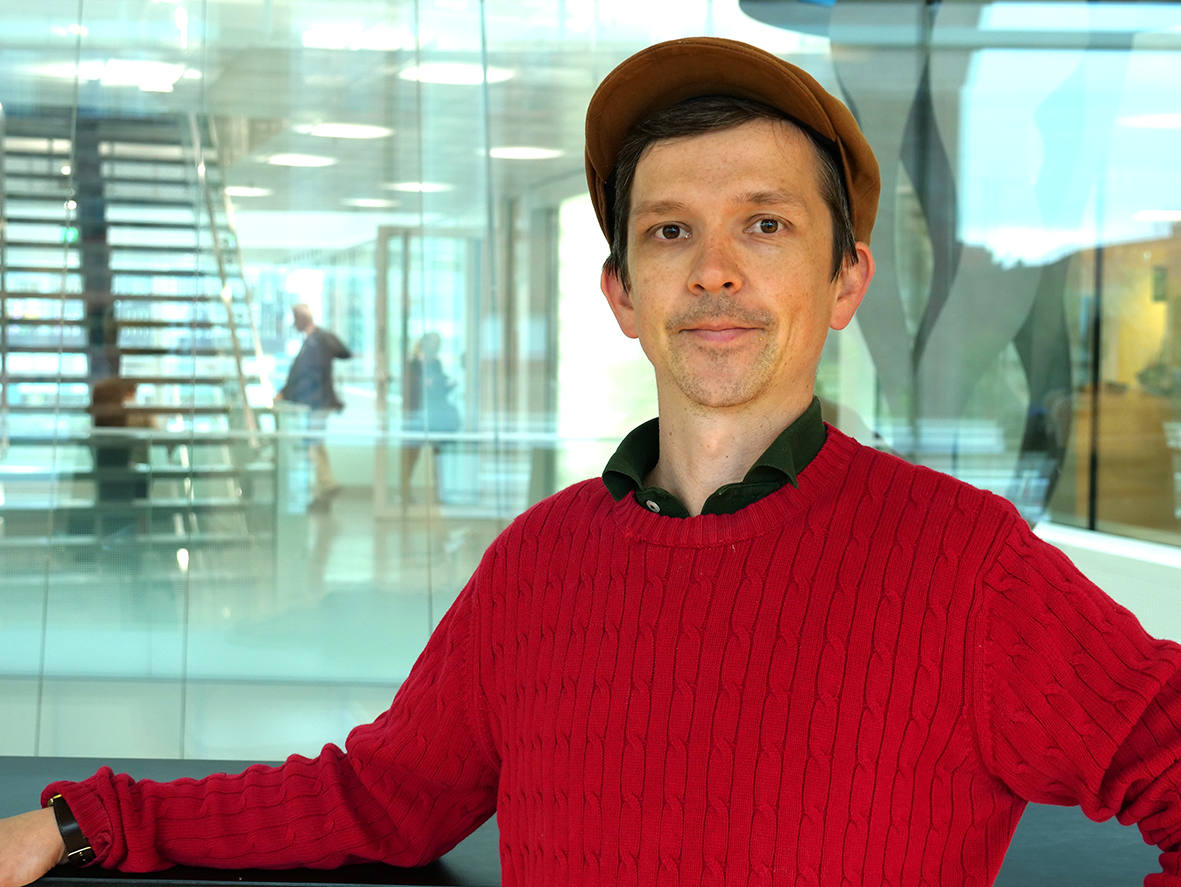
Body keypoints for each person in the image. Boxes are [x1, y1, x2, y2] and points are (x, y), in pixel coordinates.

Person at [2, 36, 1181, 887]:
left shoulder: (963, 566)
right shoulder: (538, 566)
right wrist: (84, 819)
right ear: (622, 292)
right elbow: (379, 796)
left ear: (844, 282)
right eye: (670, 230)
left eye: (764, 223)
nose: (713, 269)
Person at [274, 303, 352, 510]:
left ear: (302, 319)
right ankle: (322, 492)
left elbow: (342, 353)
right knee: (315, 443)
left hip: (318, 402)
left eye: (295, 319)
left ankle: (327, 483)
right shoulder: (312, 341)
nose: (293, 324)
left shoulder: (317, 341)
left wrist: (285, 392)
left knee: (312, 443)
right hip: (316, 401)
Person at [401, 331, 460, 504]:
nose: (436, 346)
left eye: (438, 343)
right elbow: (412, 389)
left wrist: (445, 384)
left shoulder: (437, 363)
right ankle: (404, 493)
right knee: (411, 456)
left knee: (438, 457)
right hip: (417, 415)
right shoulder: (413, 364)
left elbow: (439, 387)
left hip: (437, 416)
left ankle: (439, 495)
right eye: (434, 342)